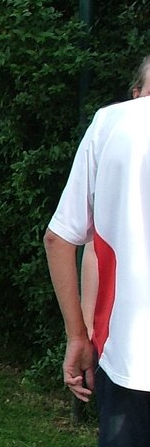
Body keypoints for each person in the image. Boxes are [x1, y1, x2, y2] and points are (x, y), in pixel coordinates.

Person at [44, 86, 150, 447]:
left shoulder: (113, 123)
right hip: (128, 355)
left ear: (140, 88)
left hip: (131, 356)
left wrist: (79, 337)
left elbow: (62, 237)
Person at [79, 54, 150, 335]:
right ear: (136, 96)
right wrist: (85, 331)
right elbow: (94, 248)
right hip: (125, 341)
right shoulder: (111, 145)